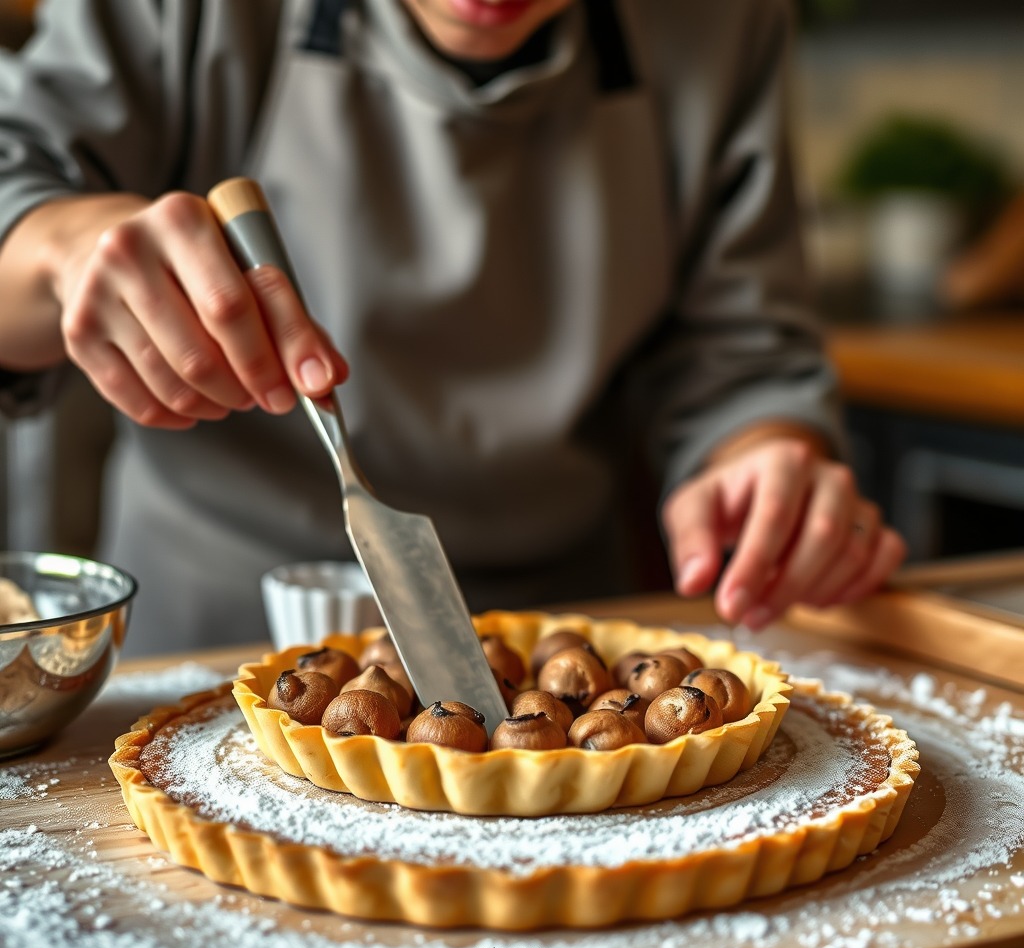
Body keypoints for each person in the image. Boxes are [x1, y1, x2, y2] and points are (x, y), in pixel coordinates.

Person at [0, 0, 905, 655]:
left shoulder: (723, 23)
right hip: (206, 631)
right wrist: (62, 249)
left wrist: (758, 455)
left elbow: (740, 350)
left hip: (558, 645)